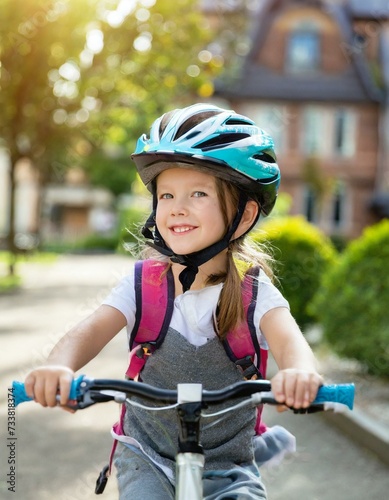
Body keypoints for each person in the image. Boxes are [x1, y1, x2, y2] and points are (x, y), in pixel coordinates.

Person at [24, 103, 323, 499]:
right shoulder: (143, 286)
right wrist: (58, 367)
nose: (177, 207)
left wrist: (299, 374)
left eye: (198, 192)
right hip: (146, 455)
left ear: (245, 213)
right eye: (166, 194)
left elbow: (289, 343)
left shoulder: (254, 293)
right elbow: (88, 331)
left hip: (227, 464)